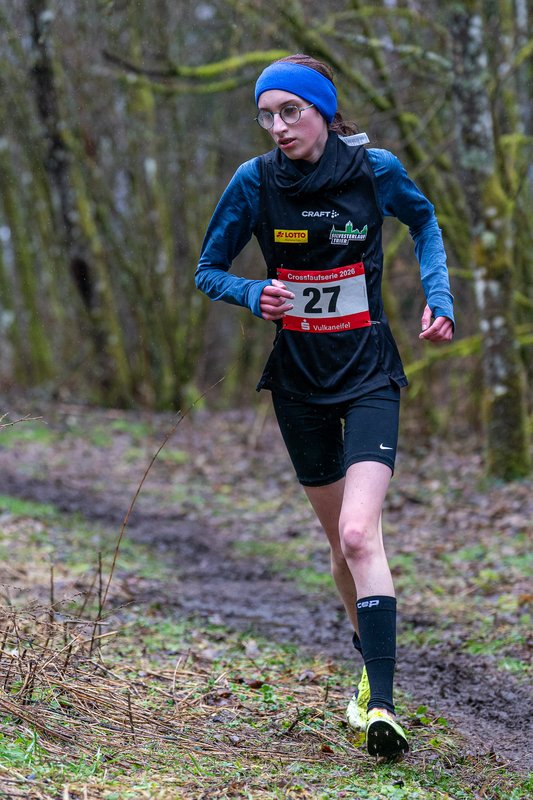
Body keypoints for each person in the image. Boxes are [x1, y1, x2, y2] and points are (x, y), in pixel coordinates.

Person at [195, 54, 454, 760]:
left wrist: (438, 296)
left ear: (324, 111)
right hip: (299, 382)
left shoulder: (374, 171)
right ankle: (367, 665)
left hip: (368, 373)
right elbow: (208, 269)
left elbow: (424, 222)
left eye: (292, 111)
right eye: (267, 115)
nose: (279, 126)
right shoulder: (254, 182)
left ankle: (382, 703)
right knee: (339, 542)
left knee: (359, 534)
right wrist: (253, 293)